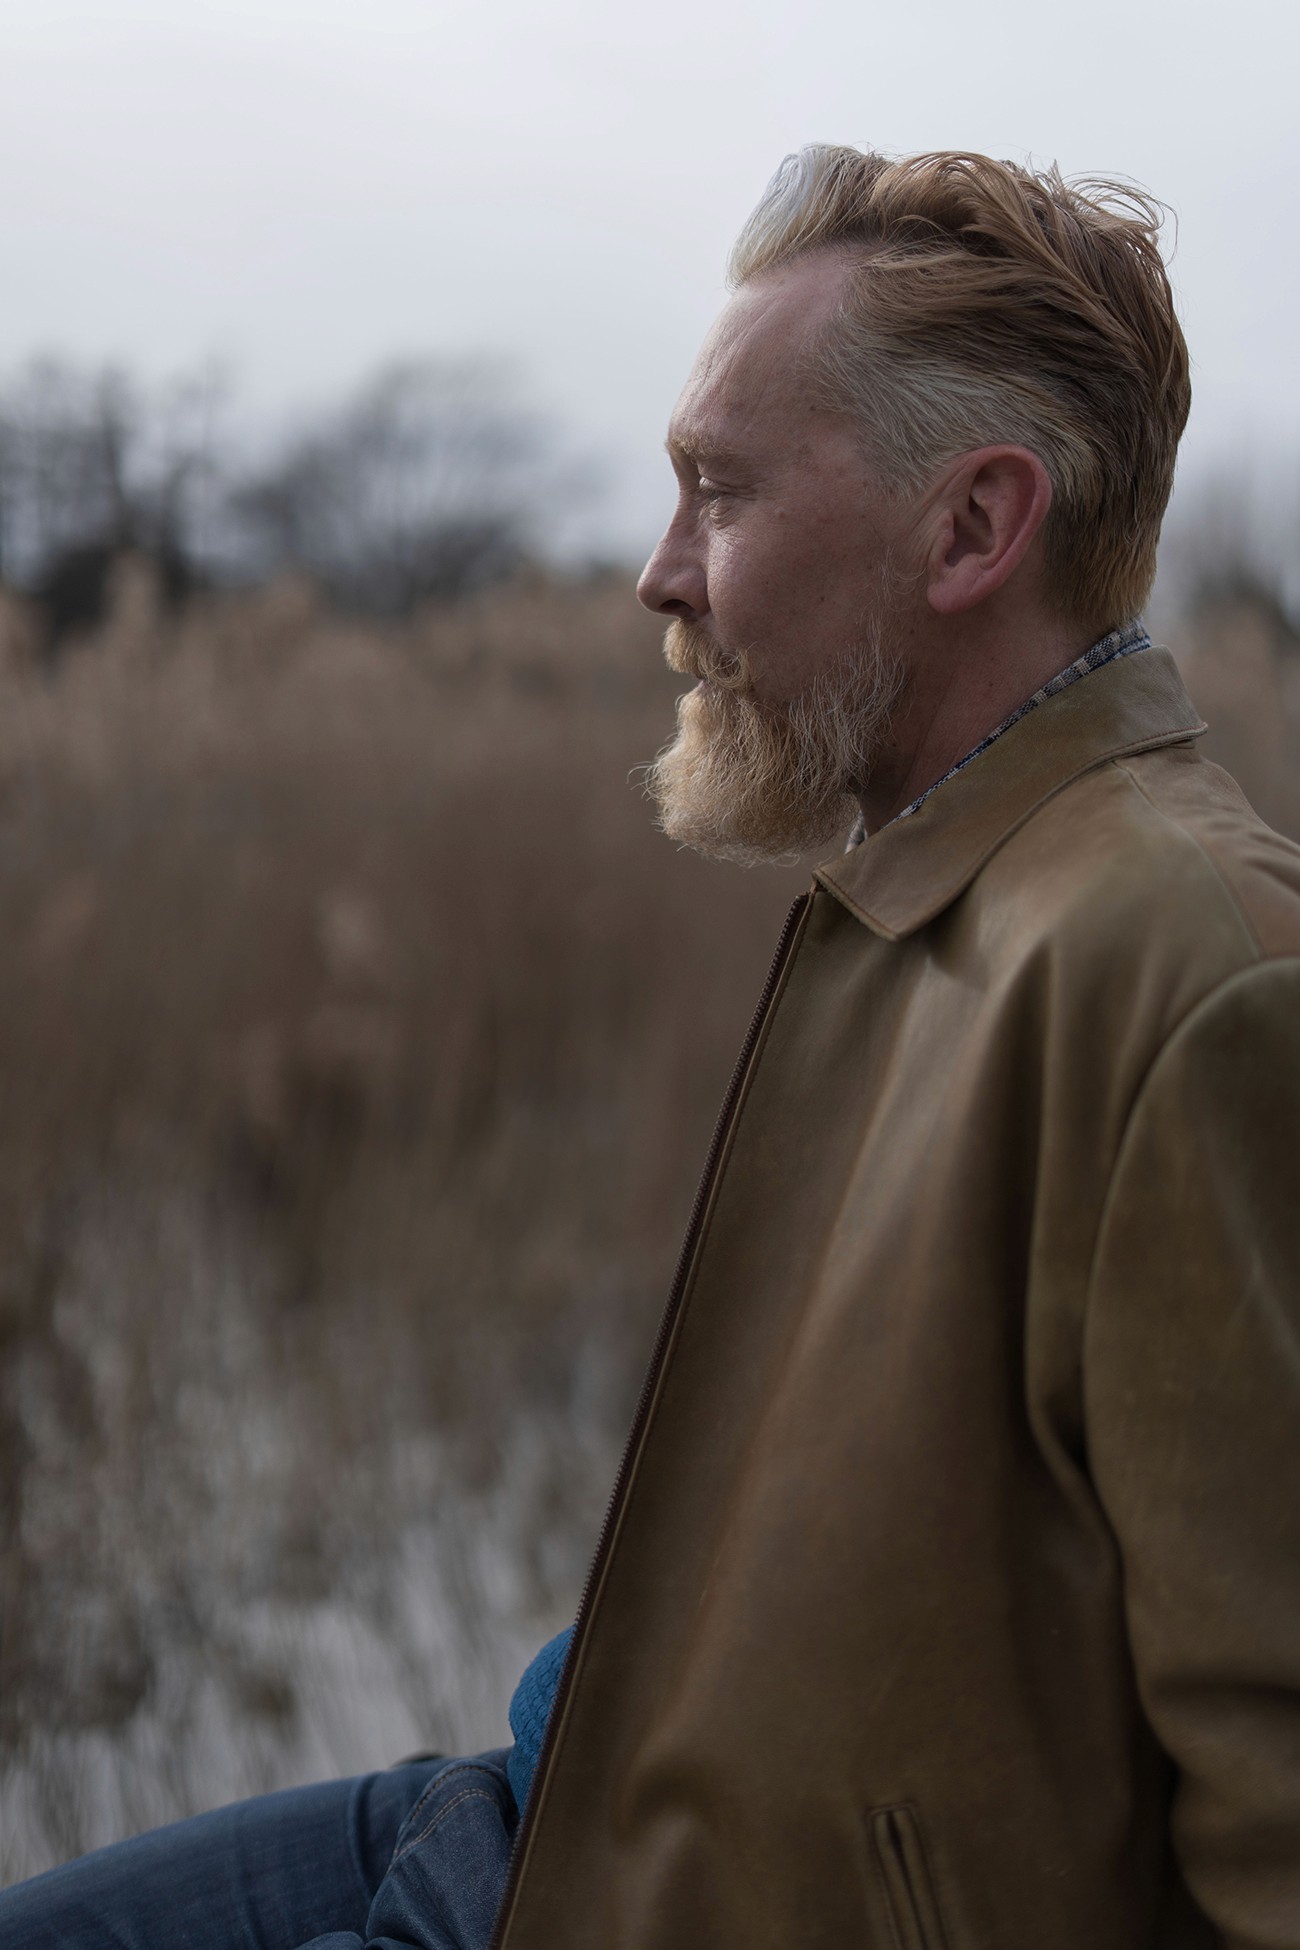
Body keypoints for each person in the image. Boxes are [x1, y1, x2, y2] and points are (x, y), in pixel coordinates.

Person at [6, 141, 1300, 1949]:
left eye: (719, 492)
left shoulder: (1190, 968)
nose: (657, 574)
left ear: (970, 528)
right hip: (529, 1808)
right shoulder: (945, 885)